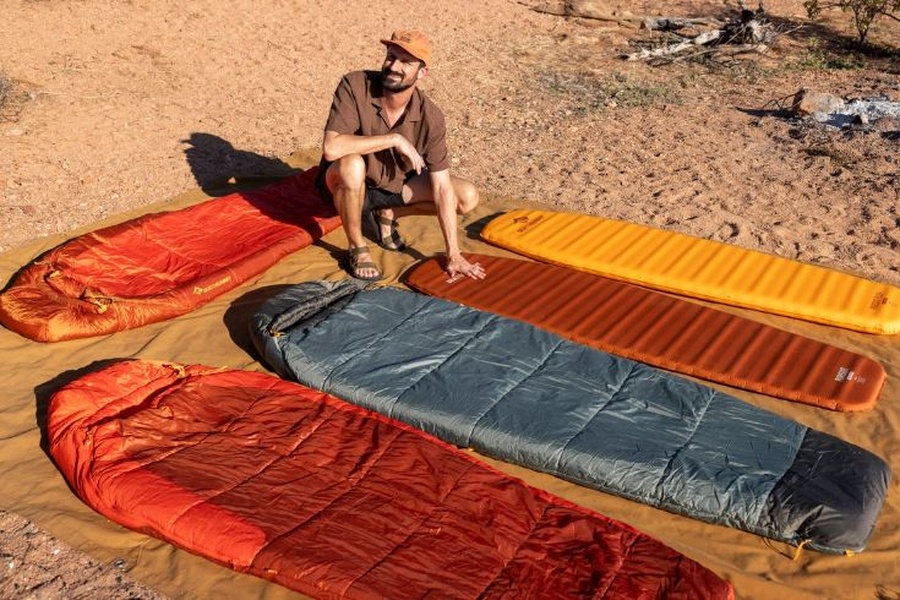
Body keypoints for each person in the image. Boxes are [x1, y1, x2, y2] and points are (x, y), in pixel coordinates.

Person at [317, 30, 487, 281]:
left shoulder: (431, 117)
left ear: (422, 72)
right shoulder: (355, 84)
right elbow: (331, 148)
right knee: (352, 165)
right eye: (391, 57)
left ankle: (389, 214)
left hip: (393, 188)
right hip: (345, 182)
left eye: (406, 62)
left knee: (466, 196)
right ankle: (357, 246)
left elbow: (442, 187)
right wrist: (393, 139)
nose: (394, 66)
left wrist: (454, 254)